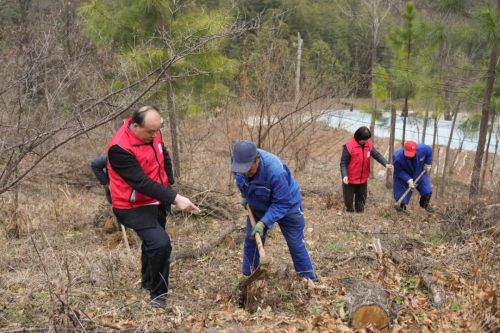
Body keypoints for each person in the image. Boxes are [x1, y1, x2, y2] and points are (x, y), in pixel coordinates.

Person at [107, 105, 200, 308]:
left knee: (152, 244)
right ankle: (158, 294)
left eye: (157, 130)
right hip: (133, 205)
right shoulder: (119, 149)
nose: (155, 135)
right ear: (134, 126)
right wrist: (176, 198)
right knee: (160, 244)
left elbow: (162, 153)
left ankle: (149, 281)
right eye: (150, 131)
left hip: (155, 199)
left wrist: (169, 180)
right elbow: (141, 182)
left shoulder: (152, 133)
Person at [231, 140, 316, 282]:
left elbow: (282, 203)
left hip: (288, 205)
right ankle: (249, 276)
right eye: (242, 170)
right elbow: (239, 178)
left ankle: (308, 279)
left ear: (257, 159)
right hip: (257, 201)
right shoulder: (239, 160)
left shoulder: (276, 172)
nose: (246, 173)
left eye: (249, 169)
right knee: (251, 238)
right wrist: (245, 195)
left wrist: (264, 223)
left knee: (295, 243)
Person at [340, 126, 393, 213]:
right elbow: (343, 163)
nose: (365, 141)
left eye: (366, 139)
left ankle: (360, 214)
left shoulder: (368, 144)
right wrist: (344, 175)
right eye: (363, 139)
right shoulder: (349, 146)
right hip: (350, 179)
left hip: (362, 178)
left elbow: (377, 155)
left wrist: (385, 163)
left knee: (361, 199)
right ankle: (349, 214)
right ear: (358, 137)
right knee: (348, 199)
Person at [393, 141, 434, 213]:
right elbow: (399, 171)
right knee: (401, 198)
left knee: (427, 192)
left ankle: (424, 205)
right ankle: (401, 213)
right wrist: (408, 179)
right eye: (407, 153)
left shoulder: (423, 149)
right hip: (403, 176)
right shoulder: (397, 156)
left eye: (411, 153)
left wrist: (428, 163)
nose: (409, 155)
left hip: (419, 173)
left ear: (416, 150)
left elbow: (429, 151)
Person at [91, 155, 123, 231]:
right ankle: (121, 231)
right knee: (120, 208)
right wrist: (107, 182)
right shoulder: (111, 158)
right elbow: (95, 164)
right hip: (115, 189)